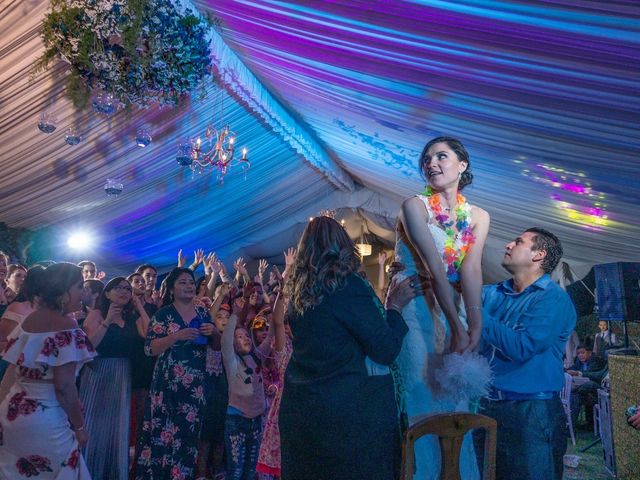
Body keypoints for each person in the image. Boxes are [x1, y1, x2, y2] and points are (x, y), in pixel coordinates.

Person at [279, 216, 417, 480]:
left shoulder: (298, 291)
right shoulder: (347, 286)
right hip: (344, 416)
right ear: (343, 245)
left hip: (302, 409)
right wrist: (395, 308)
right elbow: (385, 349)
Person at [395, 136, 490, 479]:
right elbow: (434, 266)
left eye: (441, 156)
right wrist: (458, 326)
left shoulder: (478, 216)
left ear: (462, 165)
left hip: (457, 310)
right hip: (418, 309)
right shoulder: (414, 206)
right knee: (423, 395)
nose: (431, 163)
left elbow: (472, 270)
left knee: (456, 401)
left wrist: (473, 327)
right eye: (427, 158)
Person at [474, 228, 576, 480]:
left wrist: (476, 313)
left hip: (531, 412)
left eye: (519, 241)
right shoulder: (492, 293)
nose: (508, 244)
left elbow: (523, 347)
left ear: (538, 255)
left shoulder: (553, 299)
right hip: (485, 406)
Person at [0, 263, 96, 478]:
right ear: (63, 292)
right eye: (79, 286)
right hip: (45, 419)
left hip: (13, 412)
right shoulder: (67, 327)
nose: (83, 292)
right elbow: (63, 386)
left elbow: (11, 372)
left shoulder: (28, 321)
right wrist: (80, 427)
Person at [135, 268, 215, 480]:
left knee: (188, 435)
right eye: (182, 282)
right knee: (164, 434)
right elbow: (149, 348)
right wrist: (176, 336)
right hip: (168, 382)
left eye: (190, 282)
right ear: (171, 288)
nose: (189, 286)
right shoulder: (163, 314)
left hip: (195, 384)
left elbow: (215, 345)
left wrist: (213, 332)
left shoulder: (203, 313)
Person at [80, 277, 151, 479]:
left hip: (122, 373)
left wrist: (140, 306)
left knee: (116, 426)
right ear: (107, 293)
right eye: (118, 288)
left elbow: (149, 334)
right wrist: (107, 321)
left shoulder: (132, 317)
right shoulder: (96, 314)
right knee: (95, 423)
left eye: (128, 289)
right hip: (98, 371)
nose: (124, 292)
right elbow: (89, 346)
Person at [566, 344, 607, 430]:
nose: (580, 355)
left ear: (590, 353)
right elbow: (573, 368)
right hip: (585, 393)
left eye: (582, 352)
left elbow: (592, 374)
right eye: (578, 353)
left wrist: (577, 373)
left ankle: (570, 426)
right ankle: (571, 426)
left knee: (585, 386)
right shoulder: (579, 361)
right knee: (575, 396)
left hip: (597, 391)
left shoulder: (595, 360)